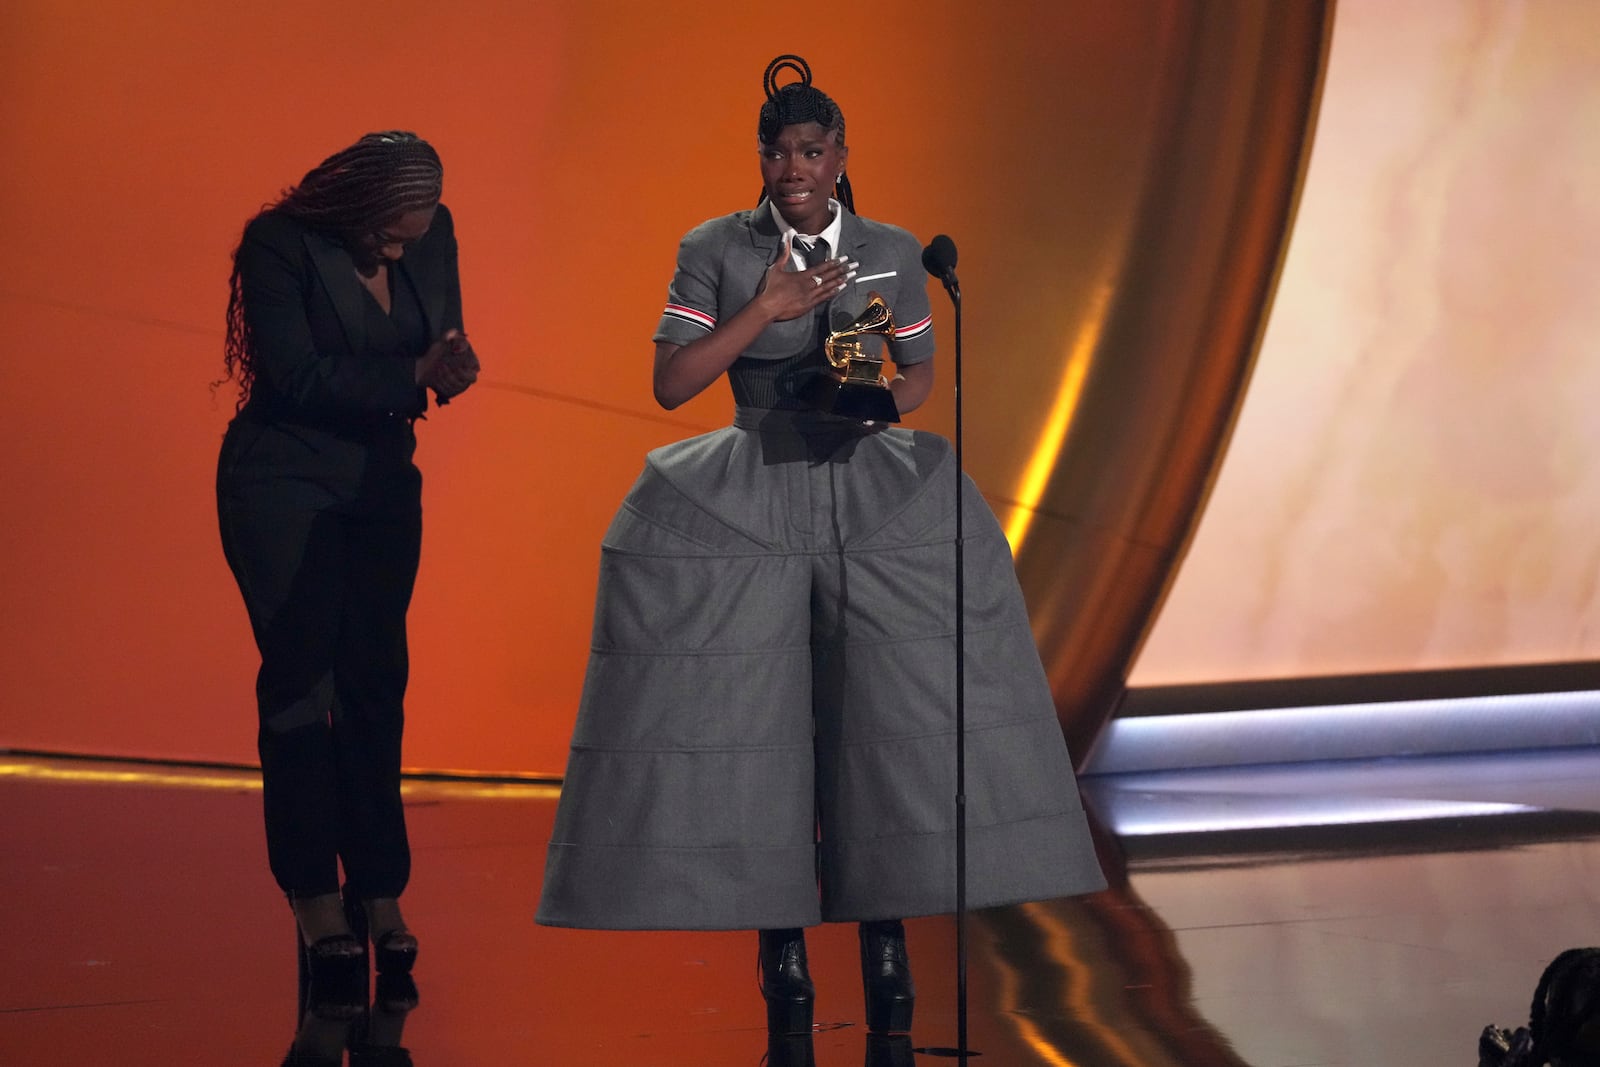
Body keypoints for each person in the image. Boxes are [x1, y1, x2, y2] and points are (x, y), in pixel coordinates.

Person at [536, 57, 1105, 1034]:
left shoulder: (889, 247)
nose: (791, 166)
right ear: (760, 158)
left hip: (862, 488)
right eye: (776, 150)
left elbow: (918, 371)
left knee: (877, 716)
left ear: (841, 158)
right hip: (748, 488)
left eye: (810, 150)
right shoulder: (714, 246)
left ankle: (885, 942)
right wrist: (764, 311)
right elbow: (674, 384)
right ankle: (782, 956)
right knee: (755, 728)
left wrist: (877, 395)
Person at [215, 131, 479, 988]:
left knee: (375, 678)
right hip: (284, 478)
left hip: (379, 483)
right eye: (392, 235)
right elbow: (292, 373)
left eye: (417, 232)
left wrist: (451, 364)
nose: (405, 246)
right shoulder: (281, 243)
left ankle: (379, 886)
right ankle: (311, 890)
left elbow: (436, 337)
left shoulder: (434, 232)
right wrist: (412, 372)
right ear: (360, 207)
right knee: (303, 679)